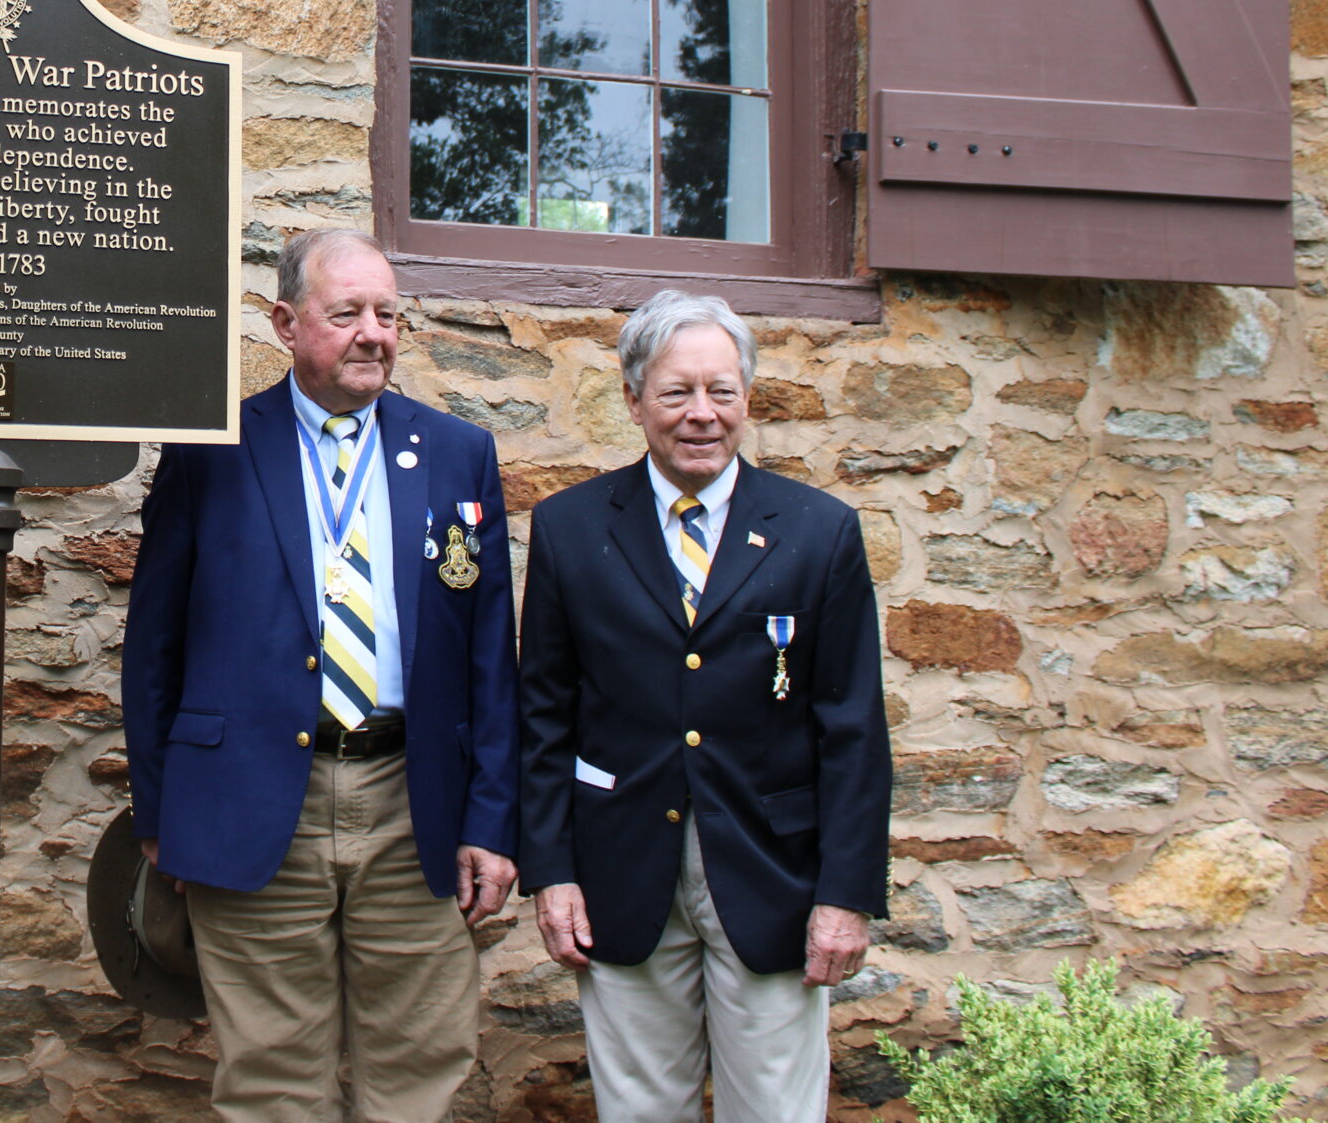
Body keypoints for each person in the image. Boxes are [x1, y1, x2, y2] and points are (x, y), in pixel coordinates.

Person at [123, 227, 519, 1123]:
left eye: (387, 313)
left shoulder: (458, 453)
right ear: (285, 323)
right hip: (256, 798)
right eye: (347, 314)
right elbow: (153, 647)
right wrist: (160, 812)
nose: (373, 332)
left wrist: (492, 818)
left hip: (412, 802)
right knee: (271, 1078)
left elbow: (490, 652)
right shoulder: (211, 447)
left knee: (419, 1065)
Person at [518, 289, 892, 1123]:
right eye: (676, 392)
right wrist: (551, 869)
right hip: (619, 869)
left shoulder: (819, 530)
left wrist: (846, 893)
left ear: (746, 398)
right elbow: (543, 715)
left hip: (773, 874)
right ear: (632, 397)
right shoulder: (572, 527)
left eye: (721, 391)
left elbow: (853, 729)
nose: (701, 415)